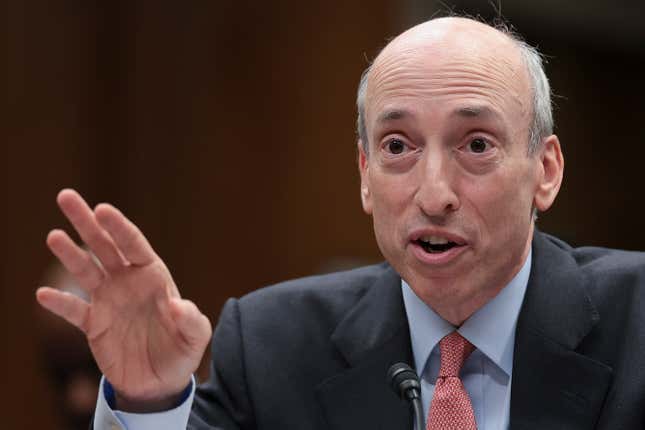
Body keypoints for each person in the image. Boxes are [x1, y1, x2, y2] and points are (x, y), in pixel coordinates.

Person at [36, 16, 645, 429]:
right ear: (363, 174)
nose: (434, 194)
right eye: (398, 147)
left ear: (546, 169)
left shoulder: (637, 320)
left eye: (477, 145)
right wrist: (151, 401)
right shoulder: (270, 343)